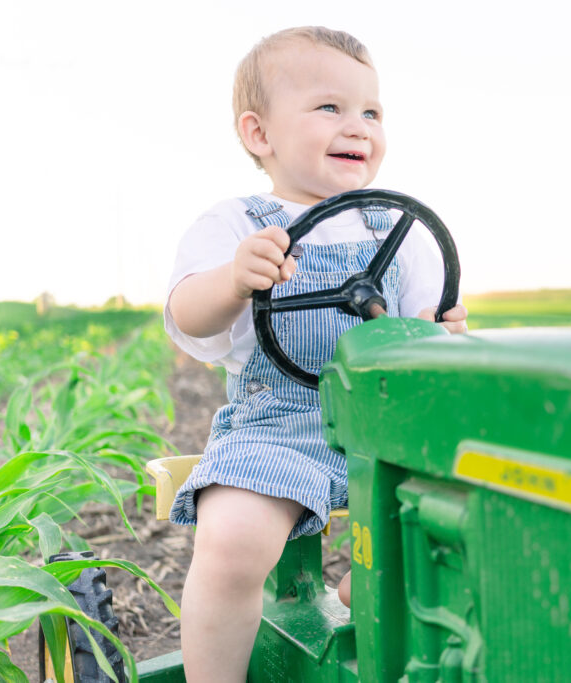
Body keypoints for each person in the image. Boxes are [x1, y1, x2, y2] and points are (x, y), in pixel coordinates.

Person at [163, 26, 468, 682]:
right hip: (279, 429)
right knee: (236, 539)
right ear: (259, 133)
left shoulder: (399, 230)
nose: (357, 125)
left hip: (387, 432)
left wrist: (443, 332)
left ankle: (375, 602)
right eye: (330, 107)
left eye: (372, 111)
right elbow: (187, 315)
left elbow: (425, 333)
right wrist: (234, 279)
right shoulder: (237, 224)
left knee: (459, 515)